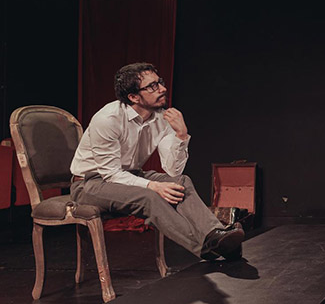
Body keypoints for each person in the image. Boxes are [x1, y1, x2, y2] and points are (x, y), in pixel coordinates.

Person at [70, 62, 244, 260]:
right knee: (149, 197)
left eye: (159, 82)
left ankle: (215, 234)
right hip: (90, 183)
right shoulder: (108, 119)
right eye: (152, 86)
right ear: (133, 97)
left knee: (181, 182)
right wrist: (153, 186)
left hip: (129, 176)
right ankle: (207, 247)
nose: (162, 89)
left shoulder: (162, 118)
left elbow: (173, 170)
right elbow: (110, 174)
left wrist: (181, 135)